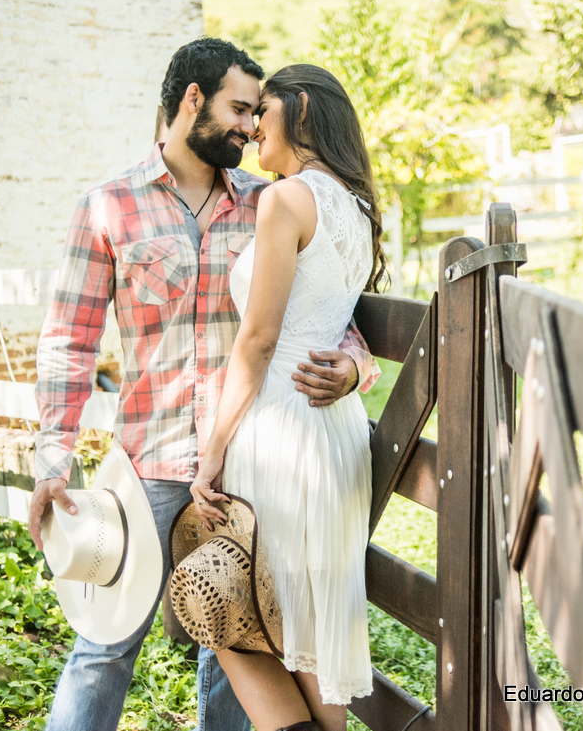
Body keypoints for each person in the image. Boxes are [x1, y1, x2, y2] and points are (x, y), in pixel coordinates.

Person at [28, 39, 380, 731]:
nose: (251, 127)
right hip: (152, 466)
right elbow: (70, 341)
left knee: (236, 642)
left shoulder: (266, 200)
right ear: (194, 100)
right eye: (239, 109)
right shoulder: (108, 207)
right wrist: (52, 453)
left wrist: (355, 365)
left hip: (245, 465)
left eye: (259, 112)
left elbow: (317, 308)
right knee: (104, 645)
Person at [189, 64, 383, 731]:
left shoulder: (286, 199)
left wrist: (212, 452)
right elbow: (332, 318)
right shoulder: (354, 206)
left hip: (280, 429)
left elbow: (259, 340)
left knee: (235, 616)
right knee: (303, 637)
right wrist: (358, 367)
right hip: (333, 435)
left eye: (261, 110)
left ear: (298, 108)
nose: (249, 128)